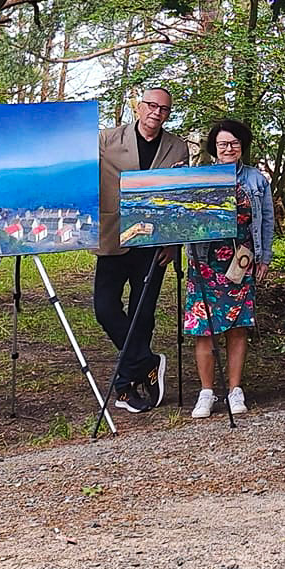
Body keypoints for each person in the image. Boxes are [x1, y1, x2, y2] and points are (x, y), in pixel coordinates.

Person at [95, 87, 191, 413]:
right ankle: (147, 361)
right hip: (112, 237)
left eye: (164, 109)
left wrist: (175, 242)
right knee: (105, 308)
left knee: (143, 314)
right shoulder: (105, 140)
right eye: (151, 105)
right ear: (138, 107)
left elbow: (179, 198)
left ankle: (124, 389)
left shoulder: (178, 147)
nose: (156, 112)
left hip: (154, 243)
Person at [185, 120, 274, 419]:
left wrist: (264, 258)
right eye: (223, 144)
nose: (228, 148)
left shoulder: (255, 180)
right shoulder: (199, 178)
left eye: (234, 143)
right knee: (203, 328)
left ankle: (235, 390)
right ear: (214, 147)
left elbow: (266, 220)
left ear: (242, 145)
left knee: (238, 327)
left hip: (241, 260)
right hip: (204, 262)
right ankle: (207, 392)